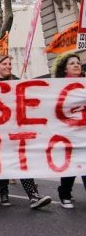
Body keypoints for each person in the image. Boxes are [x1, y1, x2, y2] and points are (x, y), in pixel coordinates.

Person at [0, 55, 52, 209]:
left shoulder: (16, 81)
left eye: (10, 63)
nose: (8, 66)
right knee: (1, 161)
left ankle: (33, 196)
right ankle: (2, 191)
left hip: (16, 130)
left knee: (22, 161)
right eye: (4, 64)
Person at [53, 53, 86, 209]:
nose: (76, 65)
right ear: (65, 68)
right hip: (68, 132)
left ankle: (65, 193)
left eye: (78, 62)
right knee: (72, 164)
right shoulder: (57, 87)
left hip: (84, 131)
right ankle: (64, 193)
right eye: (72, 63)